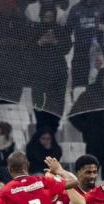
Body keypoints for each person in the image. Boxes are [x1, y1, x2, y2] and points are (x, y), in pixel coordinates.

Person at [30, 5, 73, 133]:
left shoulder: (61, 30)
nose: (48, 19)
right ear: (41, 16)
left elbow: (67, 48)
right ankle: (41, 129)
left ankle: (54, 128)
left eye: (51, 17)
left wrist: (55, 42)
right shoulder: (33, 29)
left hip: (58, 72)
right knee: (39, 102)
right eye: (45, 17)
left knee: (57, 103)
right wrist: (40, 42)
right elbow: (27, 48)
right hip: (39, 72)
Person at [66, 0, 104, 88]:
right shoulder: (75, 9)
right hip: (80, 53)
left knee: (97, 84)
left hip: (97, 53)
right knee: (79, 85)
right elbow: (67, 30)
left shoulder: (102, 8)